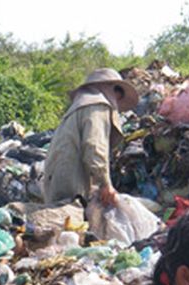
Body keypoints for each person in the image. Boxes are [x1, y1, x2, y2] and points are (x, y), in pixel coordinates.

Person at [43, 68, 138, 208]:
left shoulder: (80, 106)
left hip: (57, 177)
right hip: (71, 180)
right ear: (110, 89)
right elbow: (94, 146)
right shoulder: (97, 106)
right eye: (117, 93)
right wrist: (105, 183)